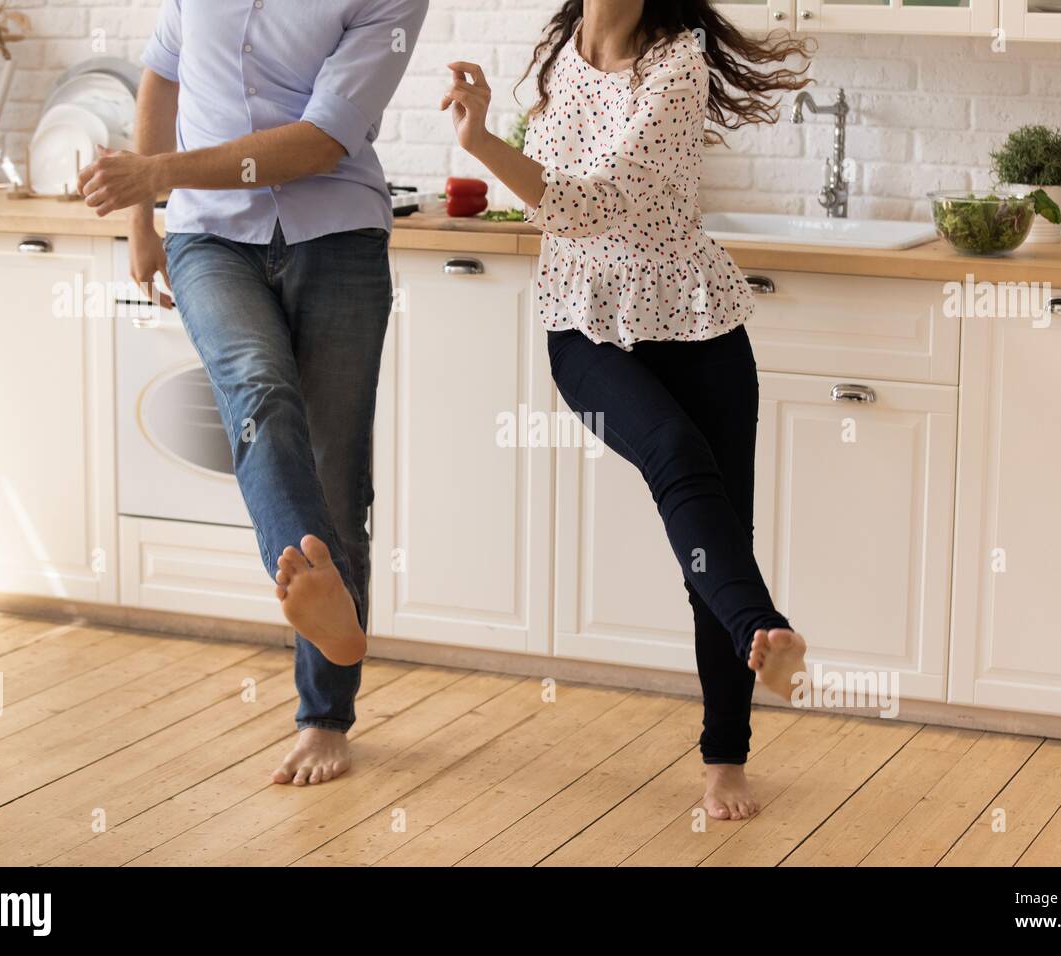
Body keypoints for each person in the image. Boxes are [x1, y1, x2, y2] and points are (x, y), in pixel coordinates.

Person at [442, 0, 812, 821]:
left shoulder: (676, 66)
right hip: (587, 330)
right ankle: (766, 628)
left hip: (700, 323)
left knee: (717, 540)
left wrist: (484, 145)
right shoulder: (559, 56)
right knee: (676, 452)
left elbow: (595, 202)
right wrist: (486, 135)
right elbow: (559, 209)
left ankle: (727, 758)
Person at [78, 0, 429, 786]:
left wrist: (156, 175)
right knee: (258, 391)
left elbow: (319, 141)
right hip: (209, 237)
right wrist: (144, 221)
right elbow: (162, 73)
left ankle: (325, 715)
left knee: (338, 484)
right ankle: (319, 604)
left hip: (337, 233)